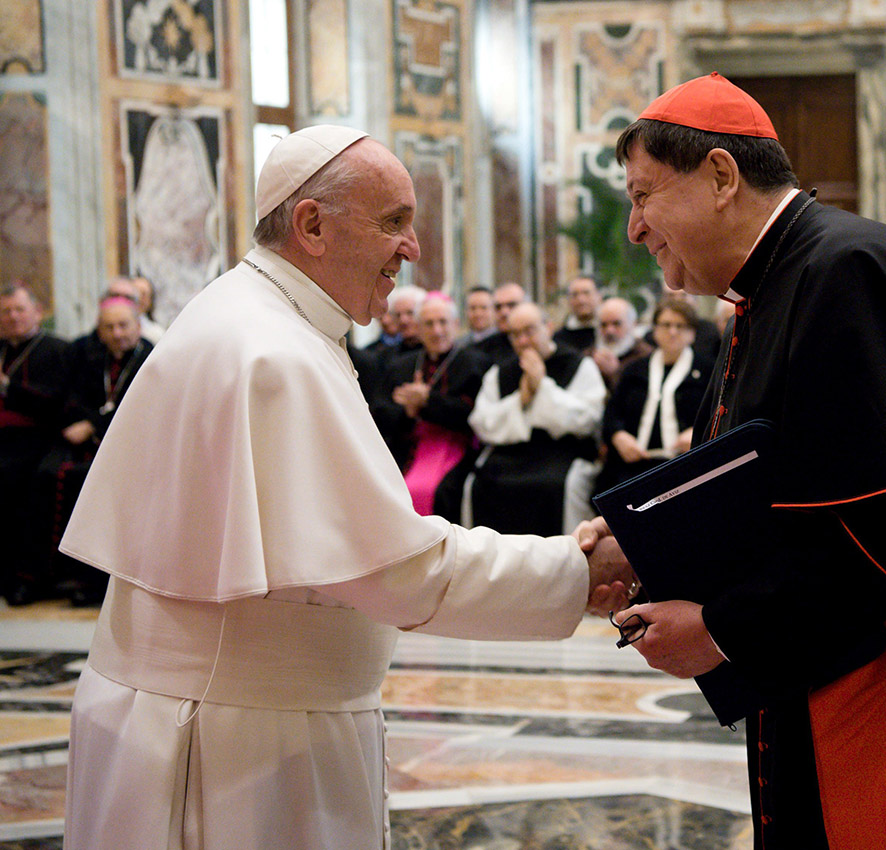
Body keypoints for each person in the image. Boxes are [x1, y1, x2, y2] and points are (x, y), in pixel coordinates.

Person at [57, 125, 633, 849]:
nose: (414, 248)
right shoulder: (274, 351)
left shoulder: (250, 315)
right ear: (311, 225)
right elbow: (399, 572)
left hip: (220, 716)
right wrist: (578, 571)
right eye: (394, 222)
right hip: (236, 746)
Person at [606, 73, 886, 849]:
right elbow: (749, 485)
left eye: (643, 196)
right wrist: (642, 546)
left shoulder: (848, 272)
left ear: (720, 176)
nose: (635, 228)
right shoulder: (775, 287)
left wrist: (721, 629)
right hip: (832, 649)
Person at [41, 295, 152, 606]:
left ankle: (101, 583)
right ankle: (64, 575)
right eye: (109, 327)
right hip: (92, 444)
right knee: (50, 474)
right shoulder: (90, 357)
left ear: (138, 325)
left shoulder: (151, 357)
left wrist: (95, 427)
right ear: (99, 331)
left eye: (123, 325)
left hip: (134, 446)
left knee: (98, 484)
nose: (117, 333)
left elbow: (144, 407)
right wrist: (90, 426)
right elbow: (74, 398)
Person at [465, 302, 605, 536]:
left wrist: (542, 385)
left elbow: (588, 420)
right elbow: (481, 422)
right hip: (509, 454)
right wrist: (521, 399)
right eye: (515, 335)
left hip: (563, 451)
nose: (522, 341)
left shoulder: (579, 365)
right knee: (478, 485)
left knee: (554, 486)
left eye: (529, 331)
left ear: (548, 327)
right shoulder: (500, 372)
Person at [371, 293, 489, 515]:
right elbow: (379, 411)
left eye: (443, 322)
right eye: (429, 323)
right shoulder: (401, 365)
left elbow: (476, 414)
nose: (437, 331)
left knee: (443, 491)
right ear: (419, 328)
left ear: (455, 324)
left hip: (457, 446)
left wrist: (428, 401)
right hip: (407, 445)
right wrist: (408, 411)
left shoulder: (475, 362)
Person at [0, 284, 71, 605]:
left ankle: (27, 578)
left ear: (37, 311)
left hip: (40, 438)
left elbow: (58, 402)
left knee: (26, 482)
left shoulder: (57, 349)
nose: (13, 317)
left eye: (19, 309)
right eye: (6, 311)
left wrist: (9, 387)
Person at [596, 299, 711, 492]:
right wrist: (618, 436)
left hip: (686, 464)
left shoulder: (708, 370)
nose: (672, 332)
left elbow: (718, 411)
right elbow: (612, 412)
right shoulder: (634, 369)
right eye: (666, 325)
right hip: (633, 463)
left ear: (692, 333)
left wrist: (699, 432)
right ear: (655, 331)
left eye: (680, 326)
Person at [590, 296, 652, 390]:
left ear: (633, 324)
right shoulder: (589, 355)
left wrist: (615, 373)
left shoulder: (646, 357)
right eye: (604, 325)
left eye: (616, 324)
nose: (609, 331)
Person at [473, 281, 525, 364]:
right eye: (498, 307)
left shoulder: (540, 344)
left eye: (511, 305)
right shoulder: (480, 351)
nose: (504, 312)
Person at [552, 275, 601, 353]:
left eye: (586, 293)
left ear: (599, 296)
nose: (581, 300)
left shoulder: (609, 331)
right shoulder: (559, 339)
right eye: (575, 295)